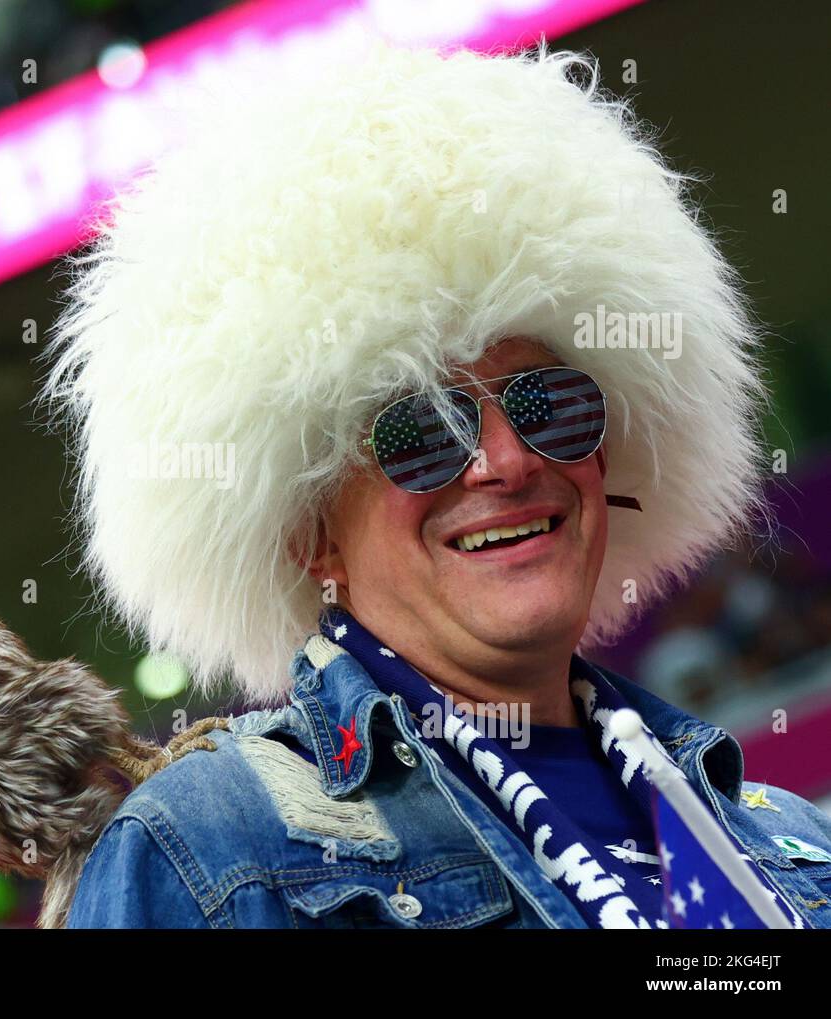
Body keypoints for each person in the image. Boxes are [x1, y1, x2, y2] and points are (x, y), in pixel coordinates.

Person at [42, 43, 831, 928]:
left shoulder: (791, 848)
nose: (504, 459)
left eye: (548, 404)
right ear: (311, 533)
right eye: (422, 431)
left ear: (605, 454)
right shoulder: (214, 851)